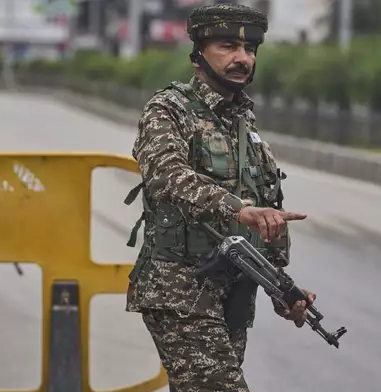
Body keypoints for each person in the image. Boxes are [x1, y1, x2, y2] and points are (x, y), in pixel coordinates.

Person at [123, 4, 315, 391]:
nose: (243, 58)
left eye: (250, 50)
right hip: (181, 291)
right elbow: (166, 175)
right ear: (198, 54)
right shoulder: (169, 110)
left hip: (232, 297)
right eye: (228, 46)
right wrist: (238, 210)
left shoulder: (245, 126)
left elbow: (266, 209)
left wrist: (283, 291)